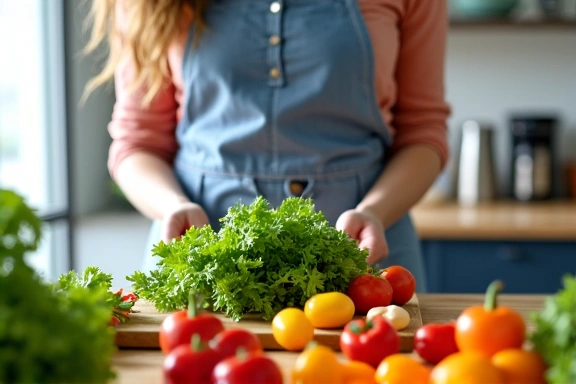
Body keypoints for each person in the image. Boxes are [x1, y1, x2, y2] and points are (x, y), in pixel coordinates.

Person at [85, 0, 451, 291]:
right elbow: (137, 142)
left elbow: (422, 134)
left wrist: (375, 212)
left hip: (365, 251)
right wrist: (172, 206)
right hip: (201, 255)